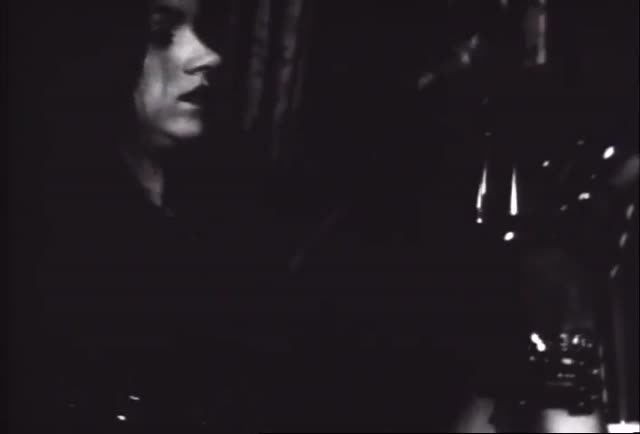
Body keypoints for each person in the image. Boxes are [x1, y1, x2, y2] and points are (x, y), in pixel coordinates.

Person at [12, 0, 602, 432]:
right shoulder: (52, 248)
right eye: (163, 34)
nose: (205, 55)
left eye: (198, 28)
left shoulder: (246, 211)